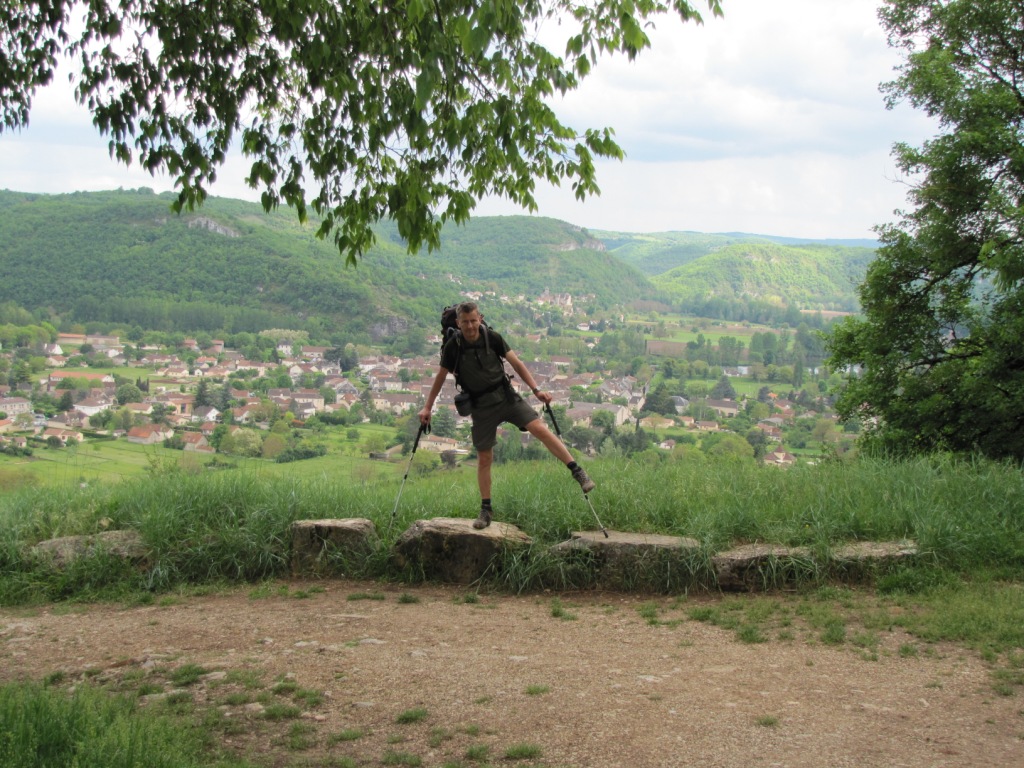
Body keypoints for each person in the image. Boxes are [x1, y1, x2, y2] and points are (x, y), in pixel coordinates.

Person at [418, 301, 595, 529]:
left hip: (506, 397)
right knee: (485, 458)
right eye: (465, 322)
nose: (470, 326)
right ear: (458, 323)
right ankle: (486, 509)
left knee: (540, 429)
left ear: (479, 318)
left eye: (473, 321)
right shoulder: (453, 346)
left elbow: (517, 364)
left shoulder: (493, 337)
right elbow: (440, 377)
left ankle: (577, 471)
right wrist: (427, 407)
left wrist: (536, 390)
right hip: (481, 405)